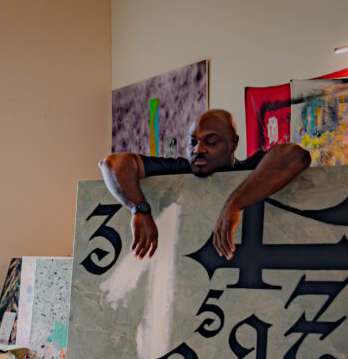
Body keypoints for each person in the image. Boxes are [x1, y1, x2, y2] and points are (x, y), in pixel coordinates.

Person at [99, 109, 310, 260]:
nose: (198, 149)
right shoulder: (180, 170)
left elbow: (296, 155)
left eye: (211, 141)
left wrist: (234, 204)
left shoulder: (250, 171)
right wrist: (139, 209)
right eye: (193, 141)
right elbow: (114, 164)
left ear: (234, 143)